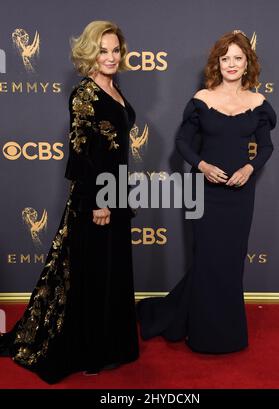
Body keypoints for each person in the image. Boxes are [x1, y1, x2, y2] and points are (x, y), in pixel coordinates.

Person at [0, 20, 139, 383]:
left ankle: (112, 346)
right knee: (91, 275)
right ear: (89, 53)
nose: (110, 56)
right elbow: (81, 153)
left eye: (115, 50)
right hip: (97, 198)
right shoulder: (84, 93)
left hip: (118, 193)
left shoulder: (114, 88)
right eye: (102, 50)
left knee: (112, 272)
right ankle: (90, 352)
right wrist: (99, 201)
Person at [137, 30, 276, 354]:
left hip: (240, 195)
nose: (231, 64)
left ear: (247, 64)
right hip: (205, 193)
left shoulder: (258, 104)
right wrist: (202, 166)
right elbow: (182, 143)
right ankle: (201, 333)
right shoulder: (202, 100)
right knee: (207, 259)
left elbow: (267, 146)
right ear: (218, 62)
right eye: (225, 58)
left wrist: (249, 168)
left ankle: (229, 334)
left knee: (230, 262)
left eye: (237, 58)